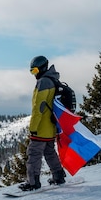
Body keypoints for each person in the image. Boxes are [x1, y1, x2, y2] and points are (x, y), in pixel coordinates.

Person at [19, 55, 67, 191]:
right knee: (49, 152)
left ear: (41, 68)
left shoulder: (43, 83)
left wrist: (33, 128)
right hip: (51, 126)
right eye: (31, 72)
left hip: (41, 127)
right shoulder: (53, 80)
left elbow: (38, 108)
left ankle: (33, 182)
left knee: (34, 153)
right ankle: (58, 176)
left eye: (34, 71)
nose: (34, 75)